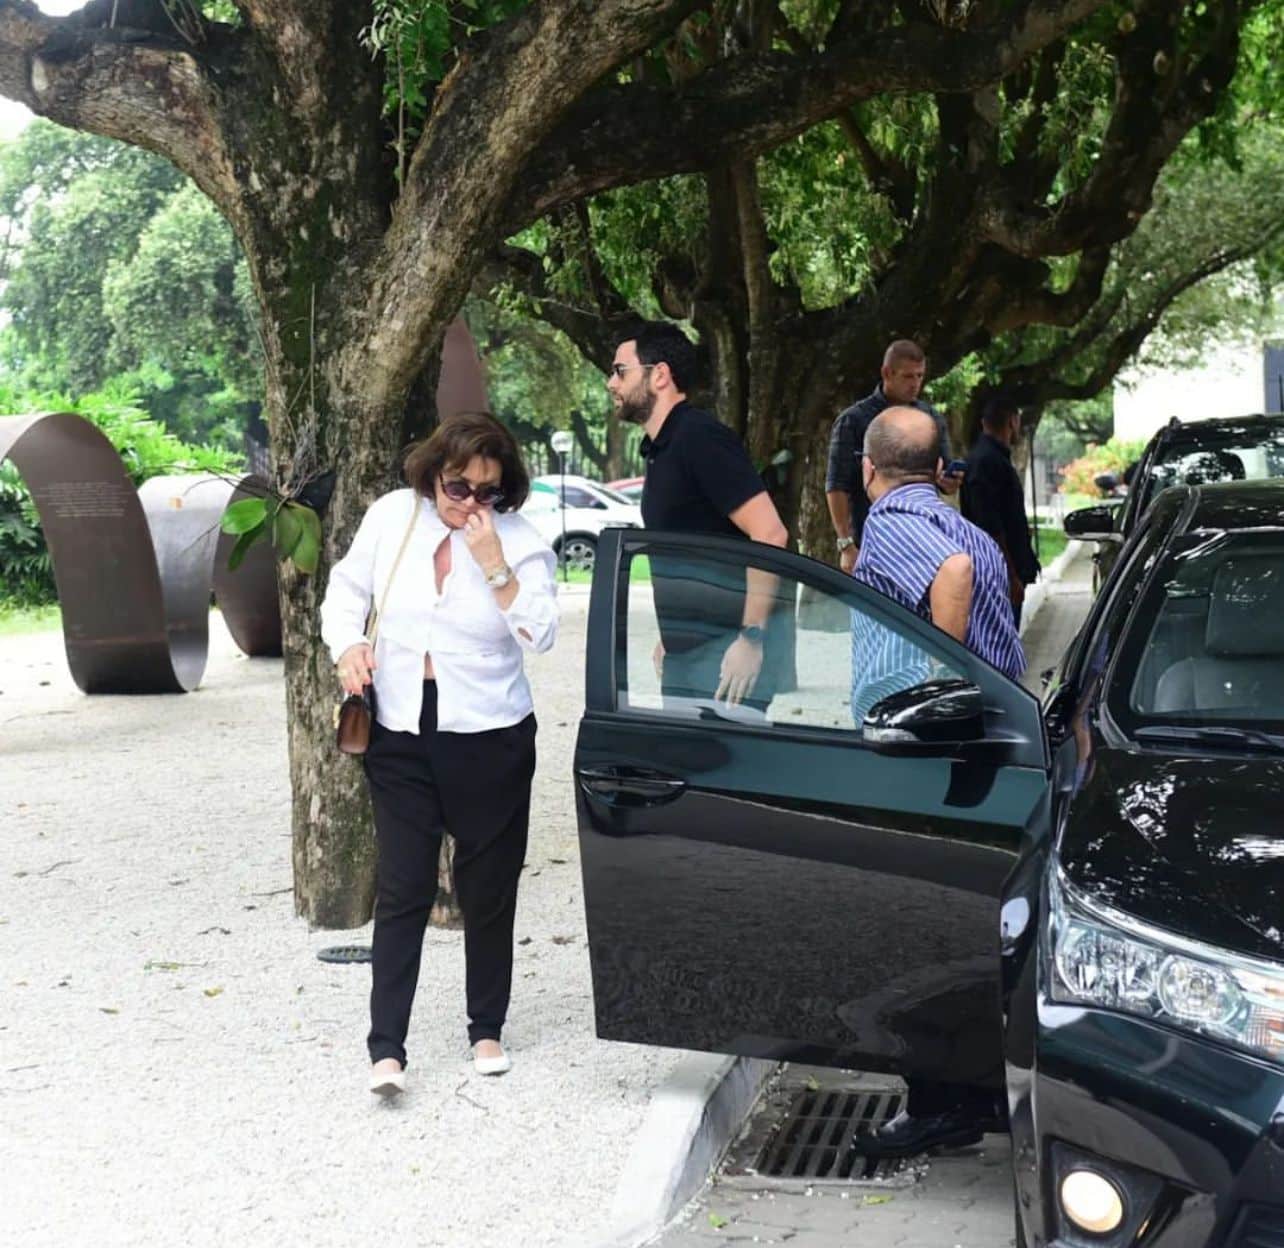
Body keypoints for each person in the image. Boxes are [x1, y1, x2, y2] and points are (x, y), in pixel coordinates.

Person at [319, 411, 558, 1096]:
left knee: (487, 890)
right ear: (434, 475)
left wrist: (495, 568)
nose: (471, 503)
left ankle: (487, 1027)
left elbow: (540, 633)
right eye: (459, 487)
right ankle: (386, 1047)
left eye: (487, 490)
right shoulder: (395, 517)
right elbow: (345, 592)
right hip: (398, 729)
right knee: (404, 884)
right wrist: (347, 648)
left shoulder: (519, 542)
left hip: (490, 733)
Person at [850, 406, 1022, 1157]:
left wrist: (940, 695)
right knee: (967, 930)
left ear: (869, 467)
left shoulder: (889, 520)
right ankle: (975, 1094)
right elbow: (994, 583)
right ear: (937, 465)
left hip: (936, 752)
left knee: (913, 925)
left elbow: (948, 581)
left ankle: (937, 1106)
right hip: (994, 750)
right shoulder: (966, 527)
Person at [608, 321, 788, 709]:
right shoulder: (662, 447)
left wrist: (751, 639)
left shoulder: (700, 438)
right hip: (688, 653)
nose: (611, 382)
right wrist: (672, 638)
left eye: (621, 371)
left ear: (660, 375)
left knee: (728, 771)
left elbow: (770, 534)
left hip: (727, 658)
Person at [826, 340, 959, 575]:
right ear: (887, 373)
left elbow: (947, 477)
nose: (915, 384)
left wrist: (949, 481)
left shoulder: (931, 419)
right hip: (871, 543)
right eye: (908, 376)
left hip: (923, 541)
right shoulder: (854, 421)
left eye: (920, 376)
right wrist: (846, 545)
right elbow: (837, 485)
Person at [960, 394, 1040, 629]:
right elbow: (990, 526)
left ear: (984, 424)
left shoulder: (989, 459)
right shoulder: (988, 462)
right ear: (1013, 422)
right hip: (997, 575)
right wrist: (1010, 575)